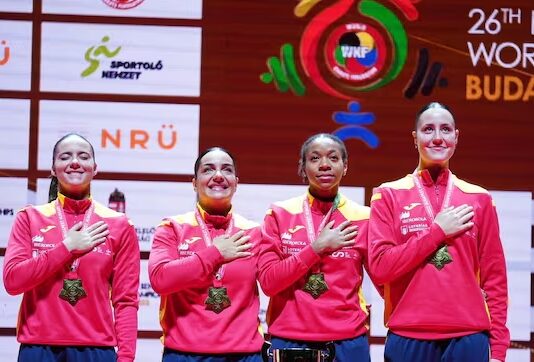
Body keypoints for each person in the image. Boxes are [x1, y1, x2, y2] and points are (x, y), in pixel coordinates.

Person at [368, 102, 509, 362]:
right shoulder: (388, 194)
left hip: (468, 336)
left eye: (445, 129)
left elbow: (495, 278)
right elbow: (380, 268)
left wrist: (498, 351)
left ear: (456, 137)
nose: (437, 137)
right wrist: (437, 232)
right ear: (415, 137)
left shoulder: (479, 199)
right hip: (408, 334)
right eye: (428, 129)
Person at [3, 133, 140, 362]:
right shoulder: (29, 218)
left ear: (94, 168)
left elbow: (126, 300)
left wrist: (126, 357)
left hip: (96, 349)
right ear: (53, 169)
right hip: (38, 348)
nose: (75, 162)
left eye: (83, 156)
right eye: (65, 156)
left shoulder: (119, 224)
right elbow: (13, 281)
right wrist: (65, 248)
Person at [258, 133, 373, 361]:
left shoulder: (363, 217)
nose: (324, 165)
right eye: (314, 158)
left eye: (333, 158)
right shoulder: (280, 214)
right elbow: (269, 283)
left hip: (347, 341)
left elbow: (385, 278)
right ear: (302, 167)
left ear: (345, 166)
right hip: (290, 340)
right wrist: (317, 248)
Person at [148, 147, 263, 361]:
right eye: (208, 170)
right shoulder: (172, 227)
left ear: (236, 183)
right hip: (184, 355)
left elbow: (274, 281)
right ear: (194, 183)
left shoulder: (253, 232)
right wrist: (215, 253)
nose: (218, 176)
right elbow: (160, 279)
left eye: (226, 170)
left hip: (244, 356)